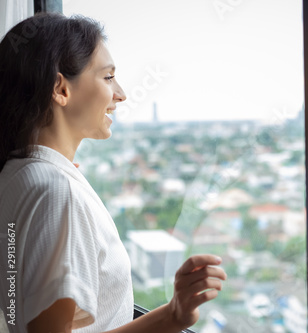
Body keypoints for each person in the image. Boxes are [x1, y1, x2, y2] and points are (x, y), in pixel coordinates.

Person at [0, 12, 226, 333]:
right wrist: (172, 316)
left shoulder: (17, 174)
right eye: (108, 77)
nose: (120, 93)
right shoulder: (55, 190)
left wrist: (174, 313)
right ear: (61, 89)